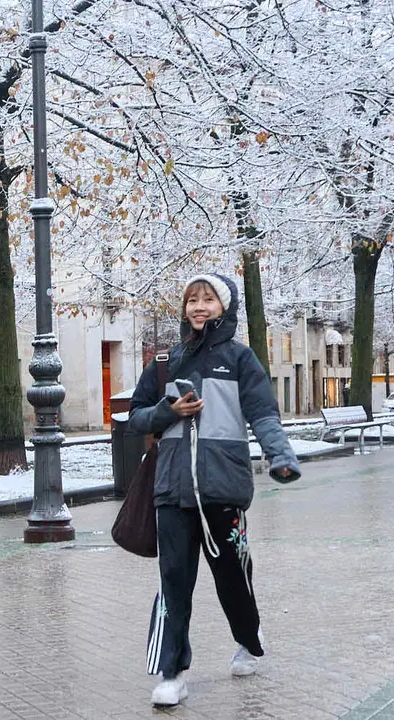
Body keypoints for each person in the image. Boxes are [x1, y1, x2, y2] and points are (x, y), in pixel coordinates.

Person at [128, 274, 301, 708]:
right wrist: (168, 412)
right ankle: (172, 671)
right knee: (173, 582)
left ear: (225, 307)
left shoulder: (241, 358)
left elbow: (263, 414)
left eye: (208, 299)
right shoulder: (165, 363)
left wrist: (280, 456)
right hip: (170, 490)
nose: (198, 306)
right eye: (191, 299)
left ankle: (248, 638)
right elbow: (133, 416)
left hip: (222, 489)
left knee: (233, 578)